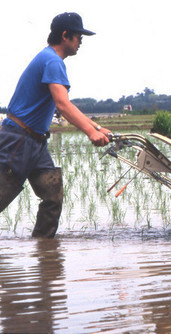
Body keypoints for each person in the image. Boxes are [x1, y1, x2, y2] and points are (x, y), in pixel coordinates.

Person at [0, 12, 111, 238]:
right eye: (79, 36)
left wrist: (98, 128)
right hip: (19, 141)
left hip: (37, 143)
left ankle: (45, 251)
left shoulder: (51, 60)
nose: (81, 42)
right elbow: (62, 104)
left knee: (52, 196)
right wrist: (90, 132)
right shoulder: (52, 61)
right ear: (65, 35)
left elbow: (64, 105)